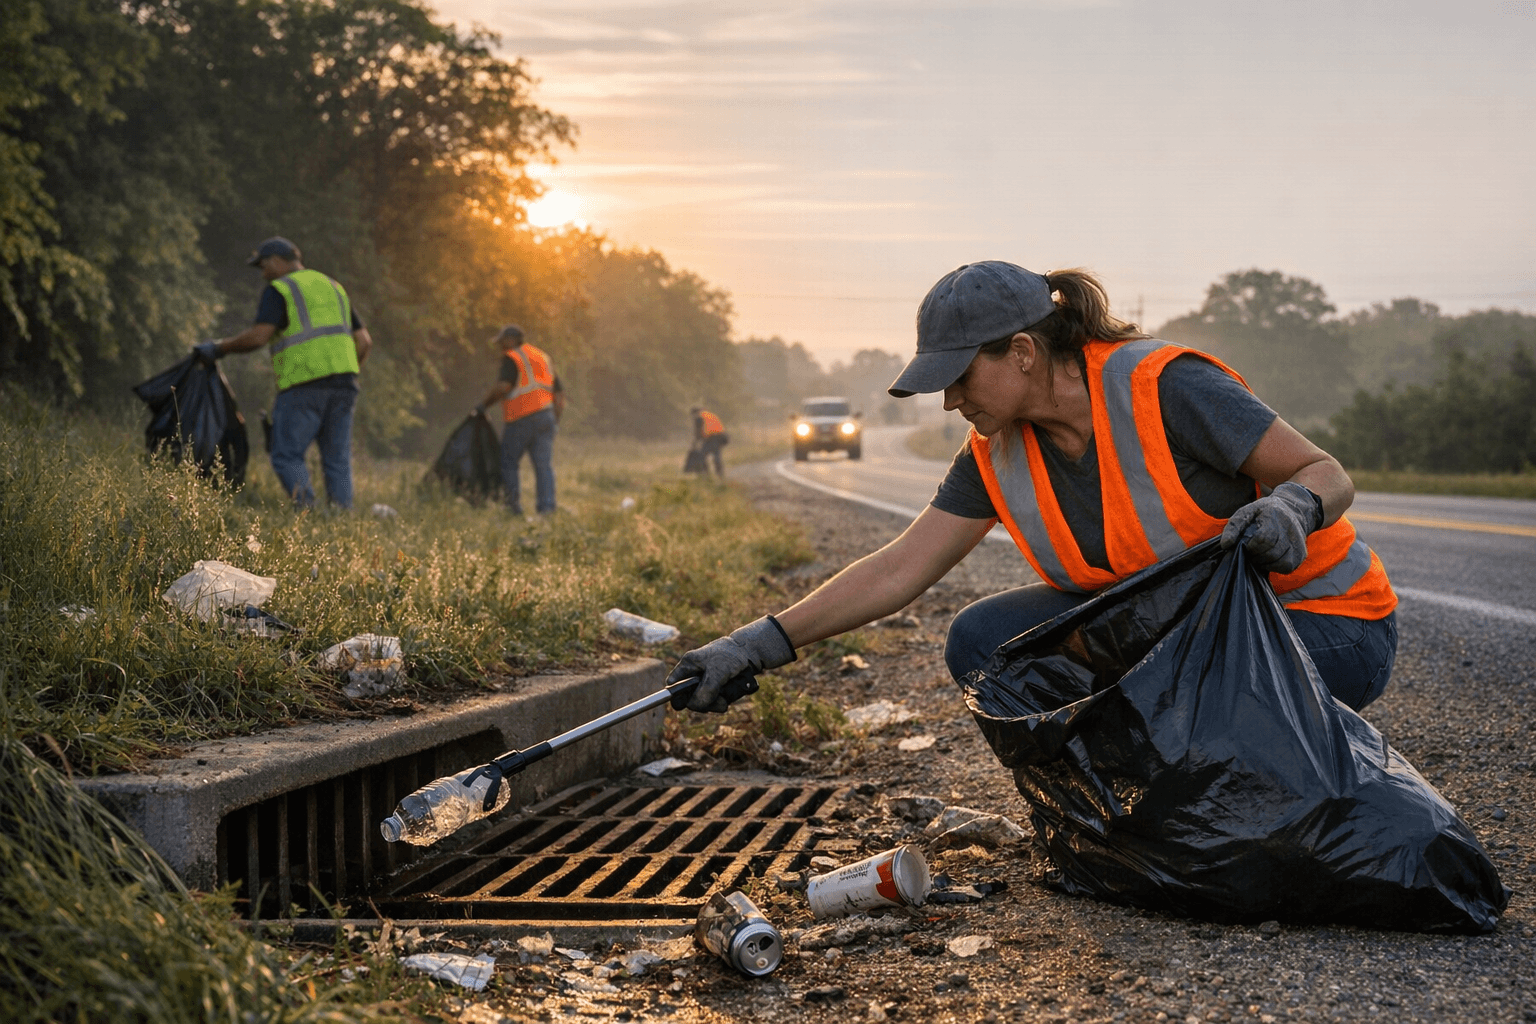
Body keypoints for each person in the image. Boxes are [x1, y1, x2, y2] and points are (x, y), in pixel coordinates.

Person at [666, 261, 1398, 718]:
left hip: (1322, 624)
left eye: (959, 378)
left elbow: (1325, 473)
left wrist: (1289, 508)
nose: (950, 402)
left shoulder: (1164, 386)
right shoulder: (995, 449)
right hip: (1180, 635)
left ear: (1021, 352)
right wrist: (758, 644)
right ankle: (1119, 793)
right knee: (985, 642)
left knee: (1182, 698)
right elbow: (898, 568)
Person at [194, 237, 371, 509]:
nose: (262, 274)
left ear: (276, 261)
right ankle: (340, 520)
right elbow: (364, 341)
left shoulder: (280, 289)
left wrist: (219, 348)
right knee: (337, 458)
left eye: (263, 266)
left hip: (304, 385)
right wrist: (345, 369)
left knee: (286, 454)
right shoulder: (333, 287)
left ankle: (306, 512)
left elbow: (258, 337)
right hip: (345, 384)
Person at [478, 324, 565, 516]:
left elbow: (503, 387)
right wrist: (554, 421)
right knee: (543, 465)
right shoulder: (543, 357)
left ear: (511, 340)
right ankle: (547, 509)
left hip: (521, 418)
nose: (501, 347)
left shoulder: (513, 358)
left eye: (502, 342)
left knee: (508, 462)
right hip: (546, 417)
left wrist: (484, 405)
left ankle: (512, 508)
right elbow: (559, 396)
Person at [690, 406, 730, 478]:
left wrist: (694, 444)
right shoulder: (711, 415)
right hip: (721, 437)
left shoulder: (699, 417)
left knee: (701, 456)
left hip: (711, 438)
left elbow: (698, 432)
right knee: (716, 456)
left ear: (694, 413)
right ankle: (720, 475)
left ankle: (706, 475)